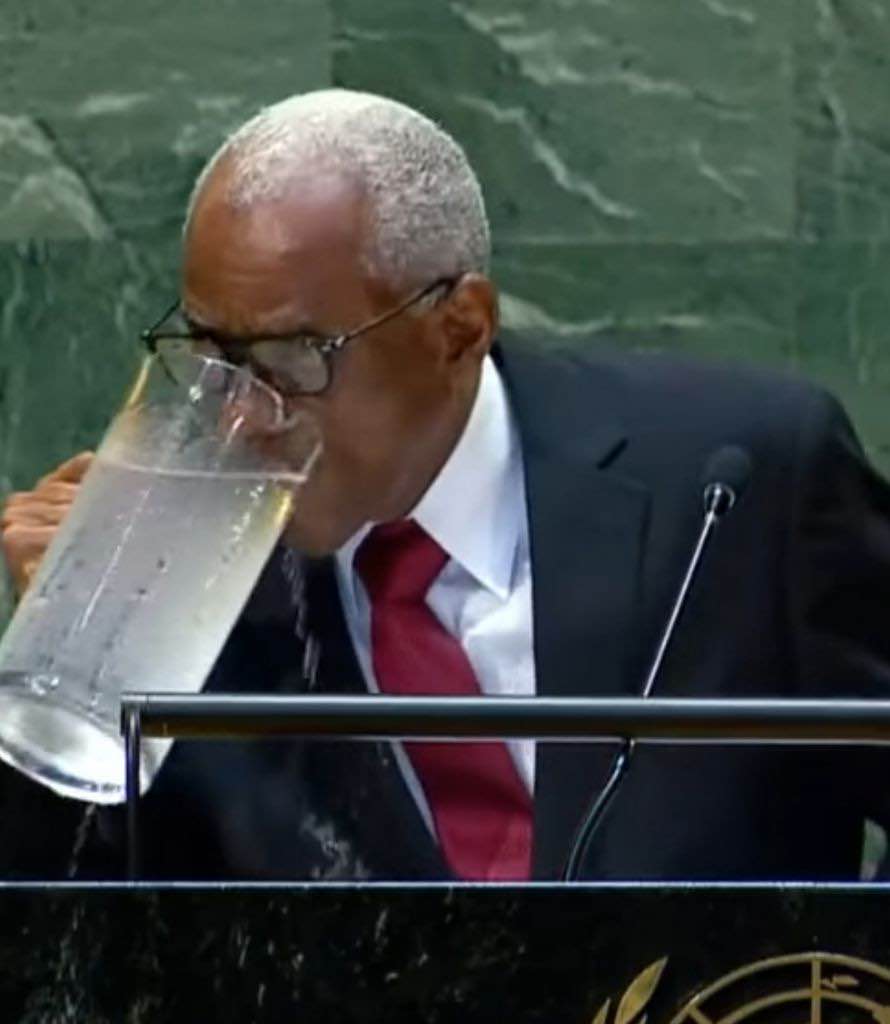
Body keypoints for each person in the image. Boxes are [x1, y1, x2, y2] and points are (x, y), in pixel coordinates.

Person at [3, 89, 890, 882]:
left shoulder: (740, 490)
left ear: (458, 327)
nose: (240, 417)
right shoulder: (182, 580)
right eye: (212, 354)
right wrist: (66, 655)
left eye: (292, 359)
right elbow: (64, 930)